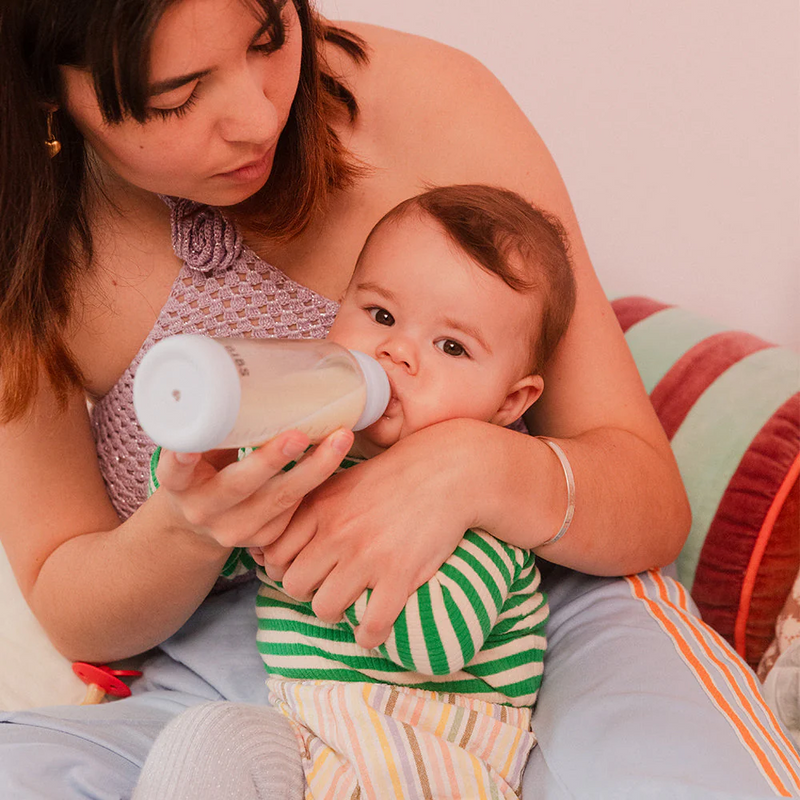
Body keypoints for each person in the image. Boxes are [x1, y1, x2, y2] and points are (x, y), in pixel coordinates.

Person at [0, 1, 797, 798]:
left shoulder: (428, 102)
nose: (256, 117)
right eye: (178, 95)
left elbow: (648, 499)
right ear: (45, 90)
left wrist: (475, 467)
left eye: (271, 37)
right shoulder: (25, 242)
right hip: (236, 660)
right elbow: (70, 596)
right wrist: (188, 531)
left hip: (527, 627)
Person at [138, 183, 572, 800]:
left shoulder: (481, 511)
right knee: (205, 739)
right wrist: (200, 479)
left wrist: (302, 519)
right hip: (306, 731)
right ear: (337, 312)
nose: (397, 351)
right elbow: (228, 551)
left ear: (510, 402)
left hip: (435, 746)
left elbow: (435, 645)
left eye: (451, 346)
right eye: (381, 316)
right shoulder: (303, 458)